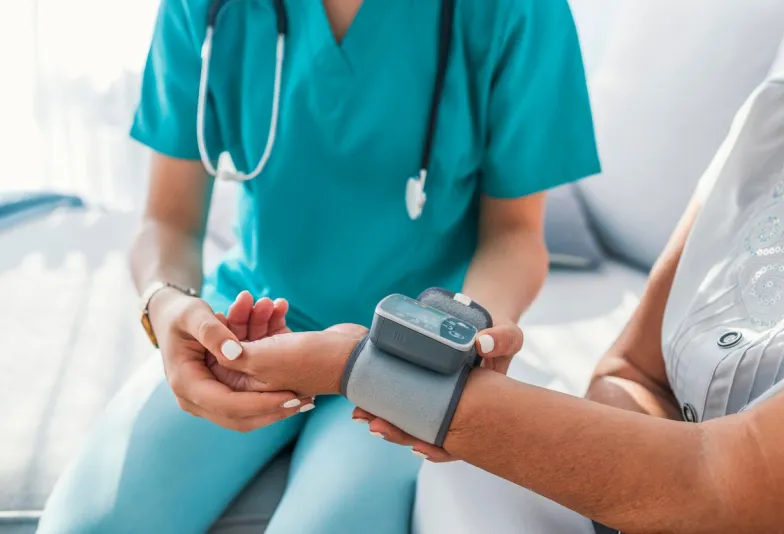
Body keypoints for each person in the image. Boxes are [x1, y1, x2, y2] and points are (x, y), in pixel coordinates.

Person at [36, 0, 600, 532]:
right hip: (245, 332)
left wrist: (467, 341)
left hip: (406, 358)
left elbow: (515, 235)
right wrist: (167, 304)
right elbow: (169, 221)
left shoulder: (518, 10)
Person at [198, 70, 784, 533]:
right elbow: (634, 370)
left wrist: (359, 368)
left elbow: (720, 484)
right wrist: (566, 453)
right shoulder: (777, 123)